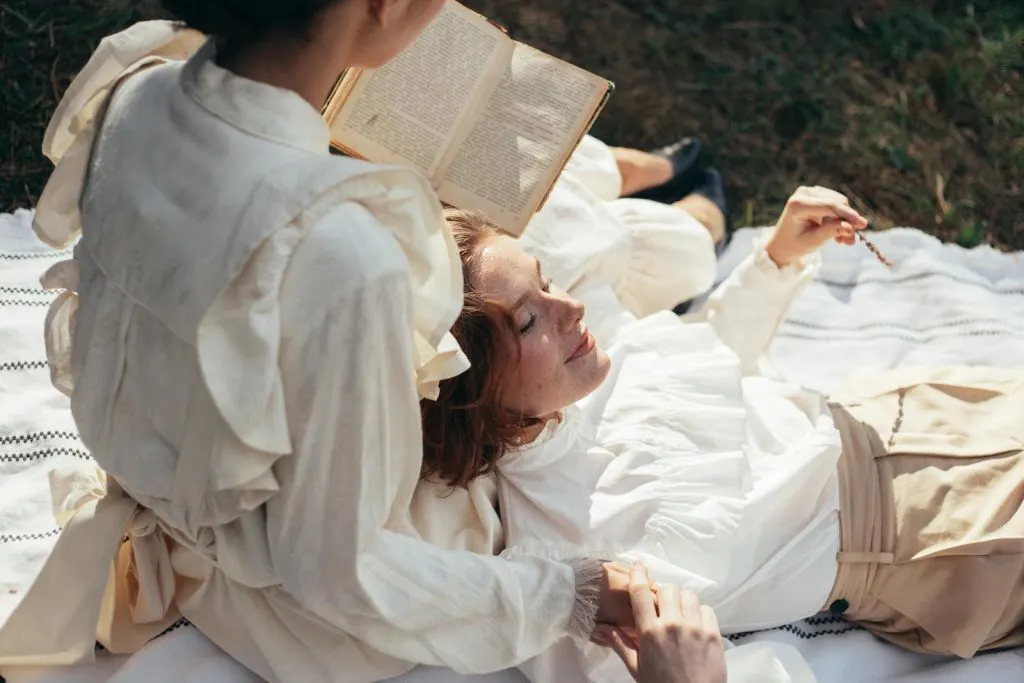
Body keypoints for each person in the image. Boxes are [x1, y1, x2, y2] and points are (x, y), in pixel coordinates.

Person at [0, 3, 661, 682]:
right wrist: (566, 596)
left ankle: (651, 190)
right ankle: (667, 198)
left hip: (197, 508)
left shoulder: (138, 92)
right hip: (309, 622)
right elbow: (340, 570)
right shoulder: (346, 255)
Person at [421, 188, 1024, 682]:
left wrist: (775, 260)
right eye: (530, 319)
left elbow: (711, 363)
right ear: (471, 393)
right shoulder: (573, 571)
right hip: (940, 544)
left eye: (547, 280)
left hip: (917, 411)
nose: (571, 308)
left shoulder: (592, 372)